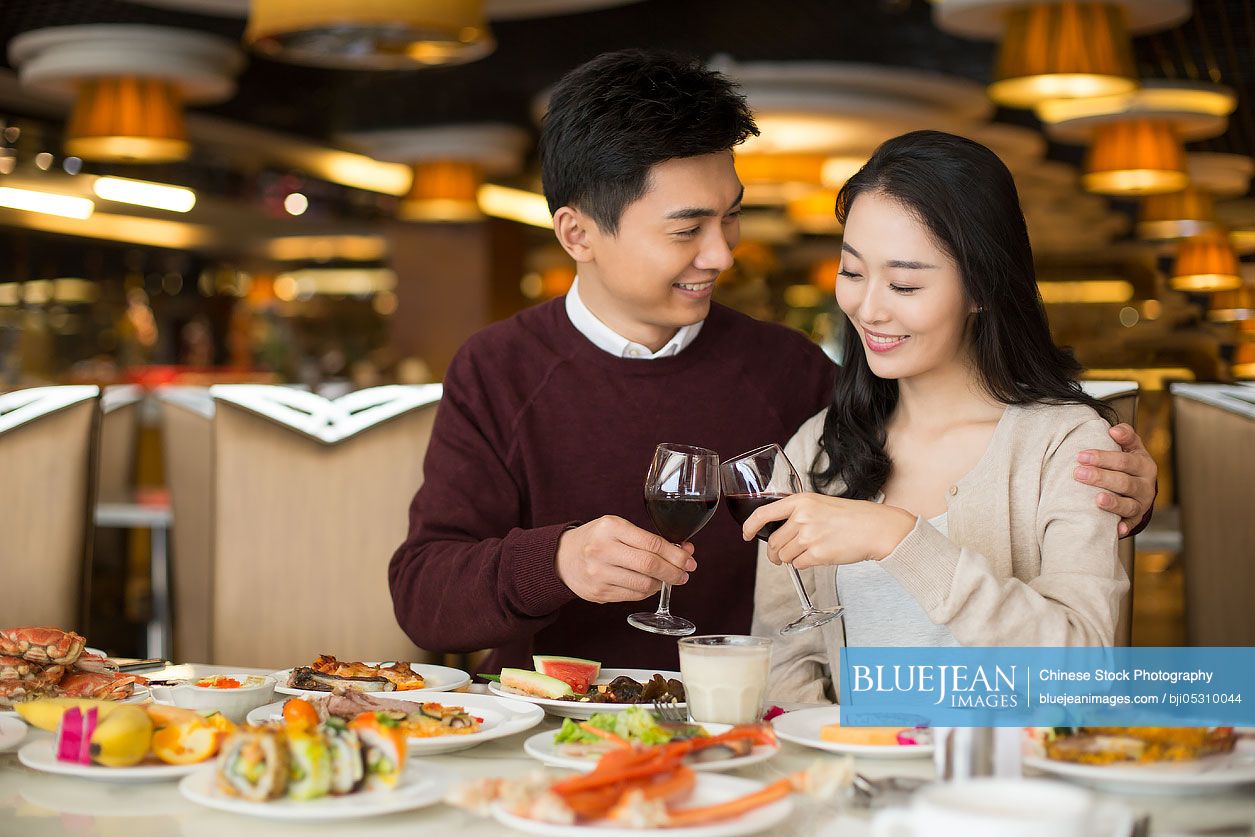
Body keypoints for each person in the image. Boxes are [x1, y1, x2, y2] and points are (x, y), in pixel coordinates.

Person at [388, 52, 1156, 675]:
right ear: (576, 233)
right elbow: (423, 597)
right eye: (687, 229)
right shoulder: (497, 369)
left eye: (730, 217)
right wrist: (552, 560)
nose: (721, 254)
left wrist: (1117, 491)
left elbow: (934, 448)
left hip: (748, 738)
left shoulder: (787, 373)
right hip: (554, 733)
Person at [748, 130, 1143, 703]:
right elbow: (785, 657)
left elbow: (1083, 666)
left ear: (982, 287)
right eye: (853, 272)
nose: (868, 307)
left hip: (1010, 786)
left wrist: (901, 540)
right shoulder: (817, 446)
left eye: (905, 283)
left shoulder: (1066, 444)